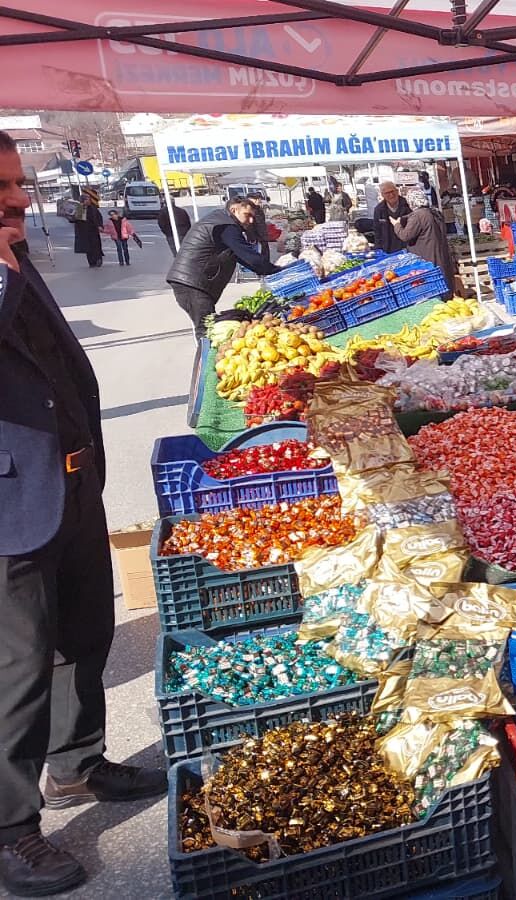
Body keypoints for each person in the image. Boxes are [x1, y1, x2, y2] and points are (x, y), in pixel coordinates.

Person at [0, 131, 167, 898]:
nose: (20, 197)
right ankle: (12, 831)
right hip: (10, 502)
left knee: (83, 634)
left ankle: (77, 763)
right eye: (3, 187)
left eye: (16, 183)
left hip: (66, 485)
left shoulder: (15, 259)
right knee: (18, 670)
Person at [166, 197, 281, 338]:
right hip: (191, 283)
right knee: (206, 331)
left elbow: (242, 257)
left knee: (209, 327)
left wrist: (266, 270)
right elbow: (248, 255)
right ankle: (205, 359)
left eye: (253, 217)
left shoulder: (223, 222)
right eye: (247, 215)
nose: (251, 221)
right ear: (234, 210)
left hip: (193, 283)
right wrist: (275, 270)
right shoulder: (226, 226)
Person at [390, 200, 462, 297]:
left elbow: (405, 235)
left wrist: (396, 225)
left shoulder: (418, 216)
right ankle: (447, 296)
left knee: (433, 283)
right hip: (439, 254)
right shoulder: (435, 212)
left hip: (426, 256)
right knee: (444, 279)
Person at [373, 181, 412, 254]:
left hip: (407, 248)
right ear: (382, 195)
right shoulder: (379, 209)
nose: (391, 195)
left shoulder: (408, 205)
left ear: (397, 191)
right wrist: (378, 250)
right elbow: (377, 232)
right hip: (388, 249)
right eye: (387, 193)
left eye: (392, 191)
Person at [71, 188, 103, 269]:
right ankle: (91, 262)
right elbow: (74, 220)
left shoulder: (93, 208)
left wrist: (100, 226)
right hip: (84, 231)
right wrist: (73, 217)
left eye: (89, 199)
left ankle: (99, 259)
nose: (89, 200)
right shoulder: (79, 209)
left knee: (96, 245)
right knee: (88, 248)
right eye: (87, 199)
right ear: (83, 201)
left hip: (94, 230)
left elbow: (99, 217)